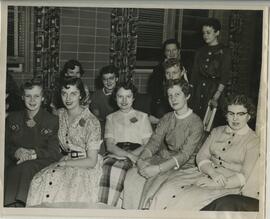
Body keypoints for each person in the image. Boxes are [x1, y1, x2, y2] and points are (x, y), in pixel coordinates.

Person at [146, 94, 259, 210]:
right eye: (231, 113)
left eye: (240, 114)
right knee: (167, 188)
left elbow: (244, 176)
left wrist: (217, 183)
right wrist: (212, 173)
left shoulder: (253, 141)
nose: (235, 118)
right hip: (202, 173)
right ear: (226, 115)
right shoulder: (217, 131)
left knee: (189, 199)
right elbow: (201, 156)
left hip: (227, 184)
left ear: (249, 116)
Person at [123, 78, 203, 209]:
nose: (173, 99)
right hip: (164, 158)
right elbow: (154, 142)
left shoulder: (196, 123)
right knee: (132, 175)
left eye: (177, 94)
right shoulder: (167, 118)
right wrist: (141, 159)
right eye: (170, 95)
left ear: (187, 96)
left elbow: (184, 155)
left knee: (154, 182)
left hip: (184, 166)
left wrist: (157, 169)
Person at [26, 77, 102, 207]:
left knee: (68, 188)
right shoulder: (59, 114)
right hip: (64, 160)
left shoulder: (91, 122)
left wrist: (66, 162)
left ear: (81, 96)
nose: (68, 98)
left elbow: (91, 161)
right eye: (64, 93)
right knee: (38, 180)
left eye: (73, 93)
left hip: (84, 165)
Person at [4, 78, 62, 207]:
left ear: (42, 98)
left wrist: (32, 154)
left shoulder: (52, 120)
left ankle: (18, 205)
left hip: (40, 159)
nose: (32, 100)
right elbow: (5, 145)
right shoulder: (13, 118)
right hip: (16, 159)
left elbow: (53, 152)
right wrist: (16, 152)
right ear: (22, 97)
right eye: (28, 96)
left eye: (36, 96)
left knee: (26, 167)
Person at [98, 81, 153, 207]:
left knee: (123, 171)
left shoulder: (143, 117)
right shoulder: (110, 118)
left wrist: (133, 156)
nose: (124, 101)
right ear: (115, 98)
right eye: (120, 96)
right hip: (115, 153)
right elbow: (110, 146)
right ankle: (104, 209)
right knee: (106, 167)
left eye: (128, 96)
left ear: (133, 98)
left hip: (139, 153)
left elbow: (148, 144)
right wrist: (128, 156)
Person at [190, 18, 231, 126]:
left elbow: (225, 75)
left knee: (210, 123)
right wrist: (191, 93)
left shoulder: (225, 51)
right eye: (204, 33)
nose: (205, 35)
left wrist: (216, 96)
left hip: (214, 90)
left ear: (217, 33)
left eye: (208, 32)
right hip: (199, 90)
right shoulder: (200, 51)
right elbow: (194, 74)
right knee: (196, 121)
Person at [148, 38, 186, 120]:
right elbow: (155, 93)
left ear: (179, 51)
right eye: (168, 51)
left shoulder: (185, 67)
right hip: (165, 104)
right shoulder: (158, 69)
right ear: (165, 53)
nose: (171, 53)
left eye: (174, 50)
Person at [90, 65, 119, 136]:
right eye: (105, 79)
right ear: (102, 80)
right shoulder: (96, 95)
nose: (108, 82)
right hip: (102, 127)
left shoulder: (122, 94)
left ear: (117, 79)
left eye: (111, 78)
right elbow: (96, 116)